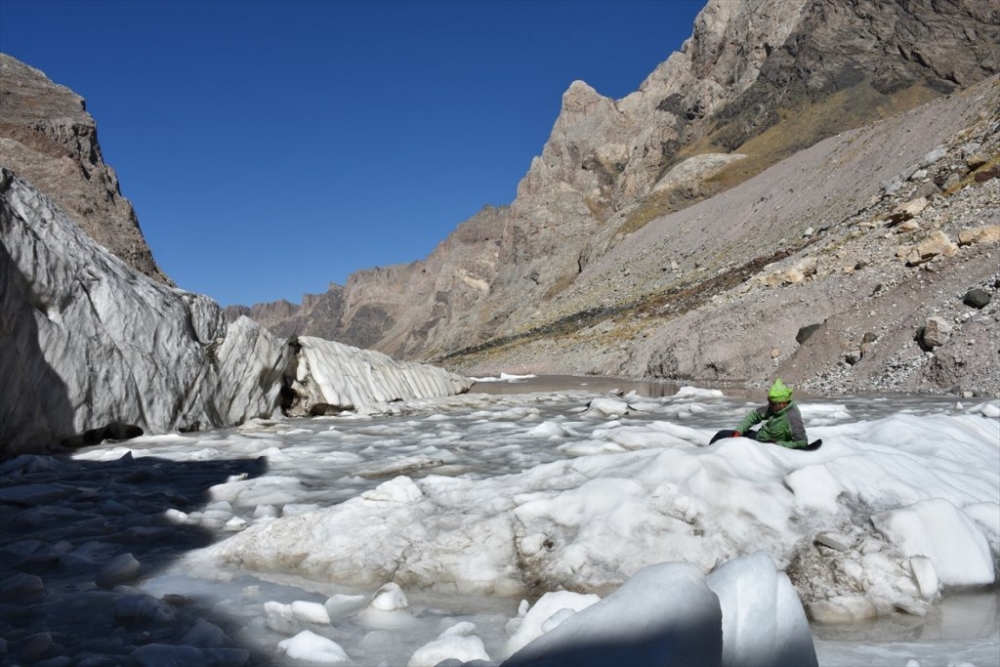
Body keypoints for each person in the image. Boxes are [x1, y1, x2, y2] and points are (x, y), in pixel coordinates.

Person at [710, 379, 809, 448]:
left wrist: (778, 444)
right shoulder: (776, 408)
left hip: (762, 445)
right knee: (721, 435)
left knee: (721, 436)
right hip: (758, 437)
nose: (770, 405)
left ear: (783, 403)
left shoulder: (792, 417)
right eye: (769, 402)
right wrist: (738, 431)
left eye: (772, 403)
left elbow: (802, 442)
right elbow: (755, 415)